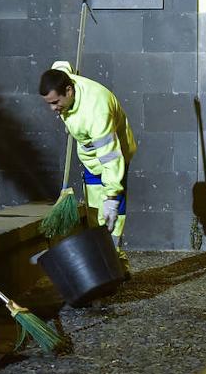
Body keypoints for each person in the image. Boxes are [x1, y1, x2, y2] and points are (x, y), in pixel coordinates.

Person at [39, 62, 136, 261]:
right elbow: (62, 66)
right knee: (94, 211)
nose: (53, 108)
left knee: (110, 214)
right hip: (90, 158)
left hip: (114, 157)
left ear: (69, 90)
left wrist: (111, 196)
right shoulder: (66, 82)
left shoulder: (96, 112)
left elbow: (110, 157)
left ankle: (116, 262)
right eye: (49, 103)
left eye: (56, 102)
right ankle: (100, 257)